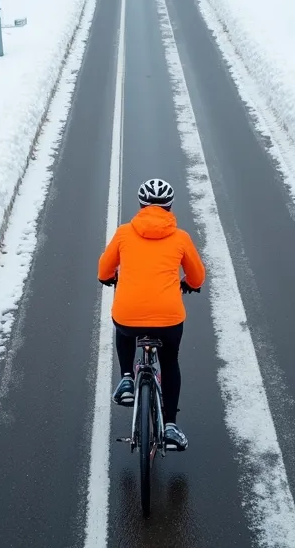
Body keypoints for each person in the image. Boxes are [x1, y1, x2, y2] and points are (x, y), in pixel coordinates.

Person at [98, 178, 205, 451]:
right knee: (169, 361)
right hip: (169, 319)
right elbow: (197, 276)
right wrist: (189, 285)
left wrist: (109, 278)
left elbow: (104, 269)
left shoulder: (124, 233)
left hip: (128, 315)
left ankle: (126, 378)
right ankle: (170, 426)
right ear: (170, 206)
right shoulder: (181, 238)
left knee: (124, 328)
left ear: (140, 205)